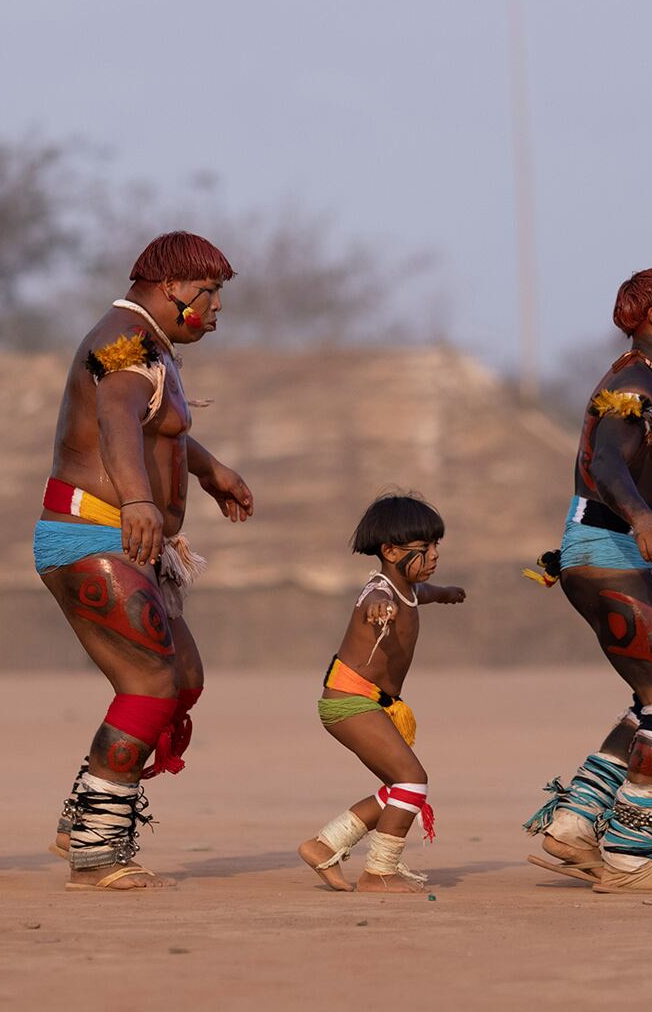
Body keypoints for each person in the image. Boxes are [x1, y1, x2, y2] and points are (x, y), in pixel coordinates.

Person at [36, 231, 254, 891]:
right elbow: (117, 420)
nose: (216, 308)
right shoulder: (122, 342)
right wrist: (137, 500)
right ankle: (98, 849)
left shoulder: (151, 348)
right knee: (150, 685)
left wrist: (212, 472)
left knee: (182, 677)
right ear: (170, 289)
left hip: (126, 542)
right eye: (208, 292)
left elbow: (158, 427)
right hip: (93, 536)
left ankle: (83, 818)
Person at [521, 266, 652, 895]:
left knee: (649, 703)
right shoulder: (631, 384)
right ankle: (630, 853)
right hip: (607, 549)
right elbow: (604, 463)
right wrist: (643, 518)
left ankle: (574, 826)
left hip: (606, 550)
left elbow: (631, 466)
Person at [298, 494, 464, 893]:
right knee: (413, 779)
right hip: (349, 702)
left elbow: (421, 594)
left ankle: (325, 845)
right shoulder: (381, 589)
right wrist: (376, 607)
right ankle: (379, 872)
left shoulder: (409, 588)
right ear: (389, 551)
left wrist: (445, 592)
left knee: (398, 787)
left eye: (437, 545)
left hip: (369, 704)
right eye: (424, 549)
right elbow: (376, 596)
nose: (434, 555)